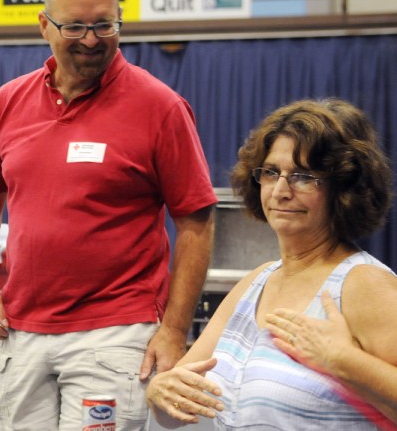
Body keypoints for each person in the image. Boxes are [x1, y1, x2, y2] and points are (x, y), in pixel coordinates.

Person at [0, 0, 216, 429]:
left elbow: (196, 222)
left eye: (105, 25)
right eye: (75, 27)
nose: (92, 41)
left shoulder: (161, 107)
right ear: (44, 25)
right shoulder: (9, 101)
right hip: (20, 329)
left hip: (115, 330)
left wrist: (174, 330)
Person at [146, 98, 397, 430]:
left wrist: (344, 361)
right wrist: (160, 391)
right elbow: (179, 403)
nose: (280, 190)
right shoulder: (255, 282)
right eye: (271, 172)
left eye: (304, 176)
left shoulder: (364, 283)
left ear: (343, 188)